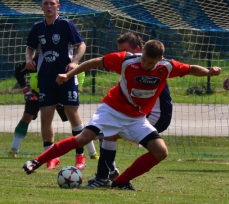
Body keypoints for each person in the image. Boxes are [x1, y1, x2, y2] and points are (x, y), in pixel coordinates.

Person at [22, 39, 221, 190]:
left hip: (136, 119)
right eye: (143, 59)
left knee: (161, 151)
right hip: (112, 110)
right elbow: (95, 62)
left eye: (150, 63)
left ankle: (120, 182)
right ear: (141, 52)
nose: (145, 64)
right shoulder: (126, 60)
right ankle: (36, 161)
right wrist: (68, 75)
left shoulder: (166, 67)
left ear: (160, 59)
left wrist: (209, 72)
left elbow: (190, 69)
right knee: (83, 138)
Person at [86, 31, 173, 188]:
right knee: (107, 134)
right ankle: (110, 175)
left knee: (106, 133)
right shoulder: (135, 65)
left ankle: (107, 176)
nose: (122, 54)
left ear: (139, 49)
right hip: (142, 114)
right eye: (120, 51)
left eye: (124, 50)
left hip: (155, 116)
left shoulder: (152, 67)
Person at [23, 0, 98, 170]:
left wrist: (74, 63)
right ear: (41, 6)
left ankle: (80, 156)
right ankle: (51, 156)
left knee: (72, 114)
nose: (49, 6)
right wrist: (29, 59)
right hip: (45, 77)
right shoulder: (37, 27)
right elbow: (30, 47)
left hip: (66, 77)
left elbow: (81, 45)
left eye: (52, 3)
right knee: (46, 116)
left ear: (58, 6)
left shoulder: (66, 24)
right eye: (46, 3)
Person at [7, 55, 98, 164]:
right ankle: (14, 149)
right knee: (27, 116)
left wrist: (75, 90)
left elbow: (81, 73)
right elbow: (18, 71)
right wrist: (26, 91)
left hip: (61, 91)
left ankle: (92, 152)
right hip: (38, 92)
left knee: (74, 119)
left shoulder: (64, 59)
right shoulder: (35, 61)